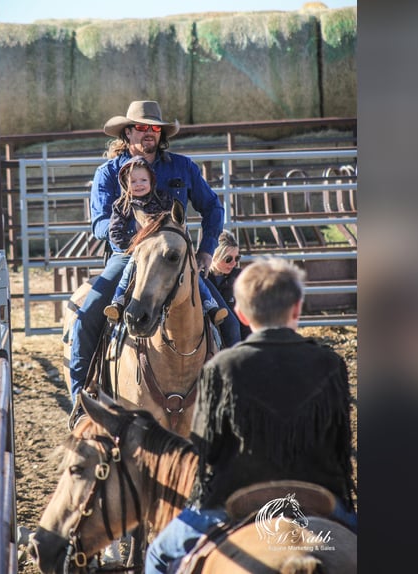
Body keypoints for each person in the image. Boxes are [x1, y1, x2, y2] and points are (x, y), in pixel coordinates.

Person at [145, 257, 357, 574]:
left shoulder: (222, 367)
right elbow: (340, 445)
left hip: (234, 495)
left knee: (158, 555)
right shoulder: (329, 363)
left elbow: (208, 451)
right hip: (319, 492)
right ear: (297, 309)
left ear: (241, 314)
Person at [68, 100, 225, 405]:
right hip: (127, 256)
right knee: (87, 317)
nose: (148, 133)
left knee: (228, 322)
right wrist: (131, 237)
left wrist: (206, 252)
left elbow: (212, 208)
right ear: (127, 133)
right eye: (140, 127)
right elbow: (99, 222)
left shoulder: (182, 167)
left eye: (154, 128)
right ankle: (81, 402)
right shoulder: (108, 173)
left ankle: (234, 398)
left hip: (174, 261)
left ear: (161, 133)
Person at [102, 157, 228, 327]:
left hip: (165, 251)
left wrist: (206, 249)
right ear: (125, 184)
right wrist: (136, 242)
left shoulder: (164, 198)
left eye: (143, 180)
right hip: (134, 252)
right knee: (128, 272)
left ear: (151, 181)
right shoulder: (122, 205)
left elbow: (201, 211)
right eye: (133, 181)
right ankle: (118, 302)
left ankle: (210, 304)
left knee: (193, 274)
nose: (139, 184)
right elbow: (112, 230)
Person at [206, 230, 251, 341]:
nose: (233, 263)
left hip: (237, 334)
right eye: (228, 259)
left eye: (237, 258)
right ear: (214, 256)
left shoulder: (240, 278)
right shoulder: (202, 278)